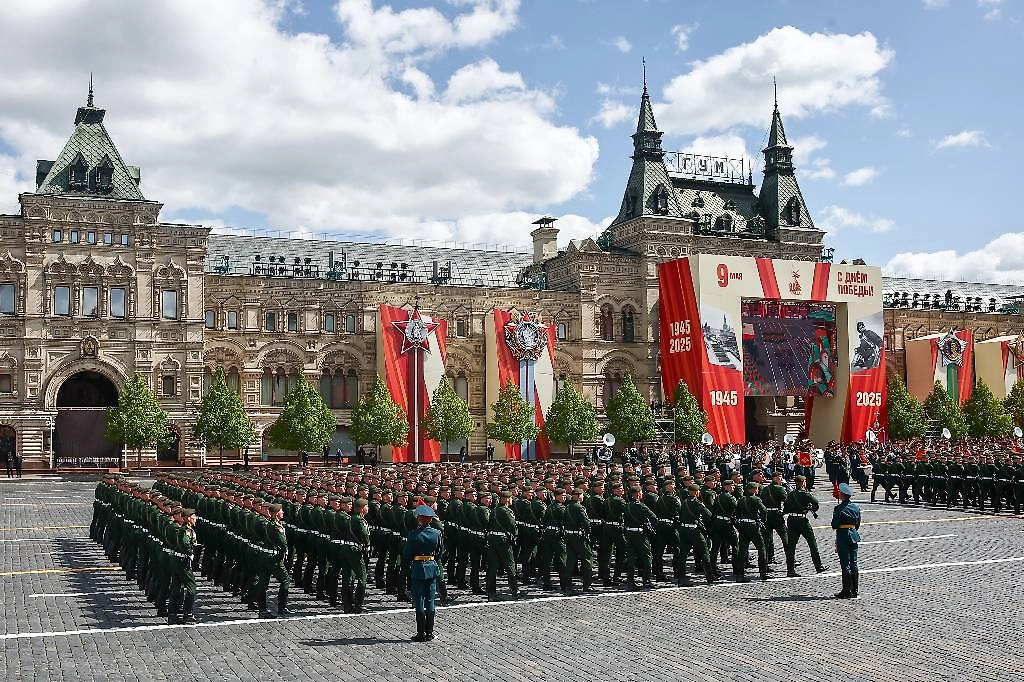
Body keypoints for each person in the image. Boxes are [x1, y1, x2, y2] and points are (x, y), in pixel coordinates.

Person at [402, 504, 442, 642]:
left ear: (419, 519)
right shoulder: (437, 533)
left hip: (418, 567)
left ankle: (420, 634)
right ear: (430, 519)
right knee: (430, 600)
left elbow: (407, 554)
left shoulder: (413, 534)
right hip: (431, 567)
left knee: (419, 600)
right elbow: (439, 553)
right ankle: (429, 632)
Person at [831, 482, 862, 599]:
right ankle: (855, 590)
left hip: (843, 536)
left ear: (842, 495)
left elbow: (834, 524)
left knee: (845, 564)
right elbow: (857, 523)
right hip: (853, 535)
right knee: (854, 563)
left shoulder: (839, 508)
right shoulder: (856, 507)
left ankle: (846, 590)